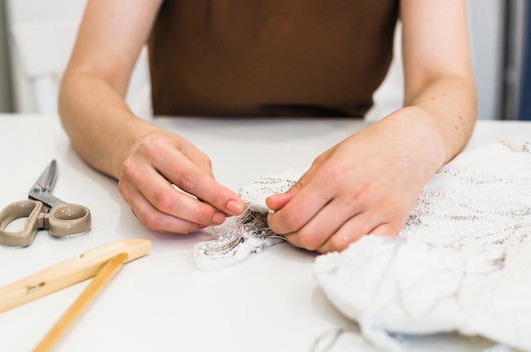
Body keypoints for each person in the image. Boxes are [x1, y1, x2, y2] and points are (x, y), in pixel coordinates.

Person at [58, 0, 477, 254]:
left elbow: (446, 78)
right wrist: (127, 143)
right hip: (182, 175)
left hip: (351, 166)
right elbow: (88, 78)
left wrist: (418, 134)